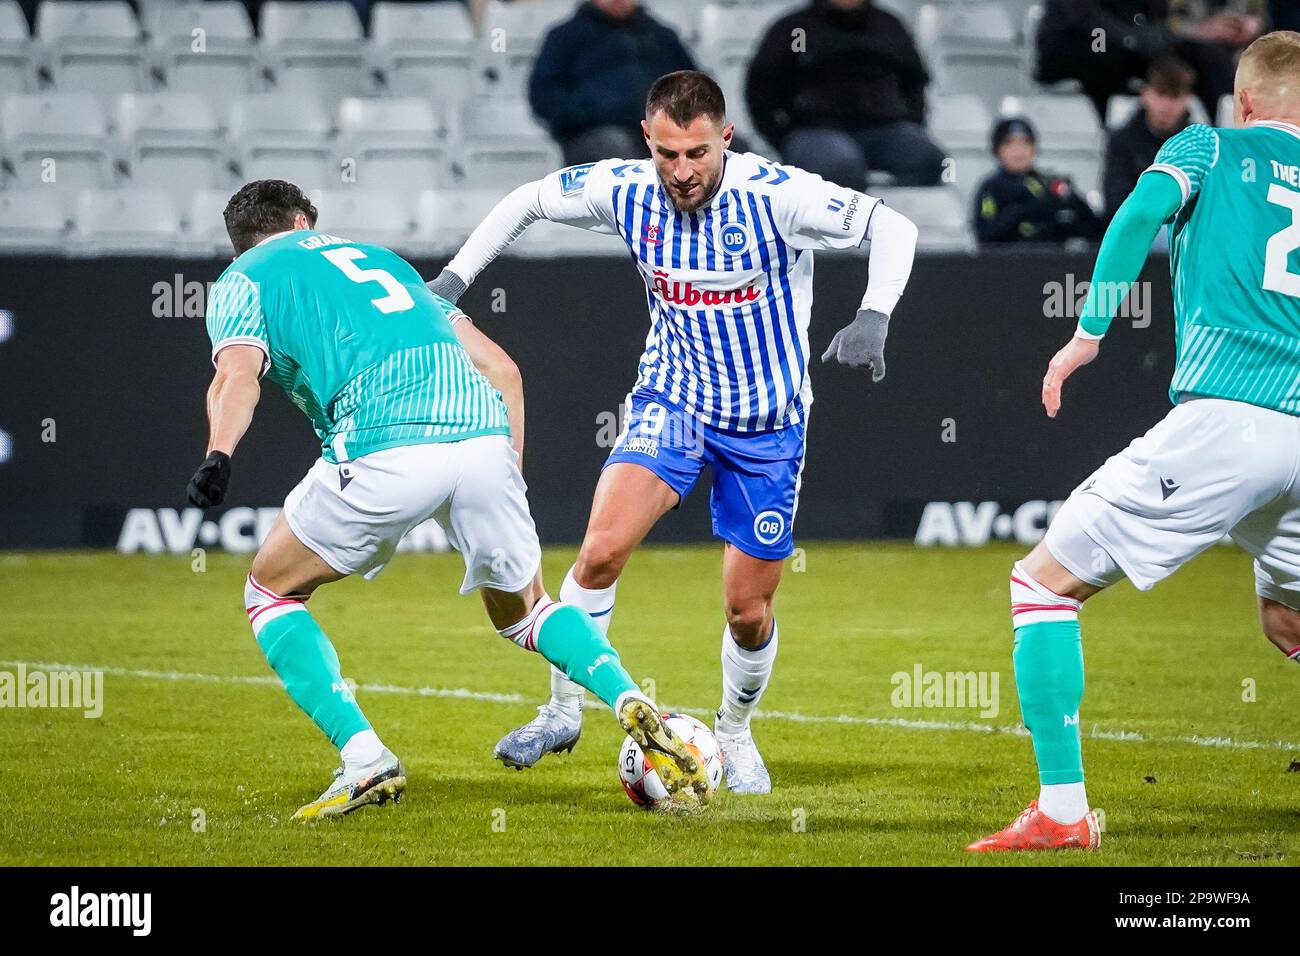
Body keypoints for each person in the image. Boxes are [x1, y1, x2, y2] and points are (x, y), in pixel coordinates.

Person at [425, 70, 919, 794]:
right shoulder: (624, 189)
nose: (681, 172)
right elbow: (525, 201)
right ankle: (563, 711)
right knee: (597, 552)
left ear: (725, 139)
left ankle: (734, 733)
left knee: (747, 610)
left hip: (767, 423)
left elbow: (893, 226)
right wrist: (452, 282)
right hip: (672, 401)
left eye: (696, 154)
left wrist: (874, 314)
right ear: (646, 143)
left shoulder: (778, 196)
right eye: (666, 154)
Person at [187, 180, 709, 819]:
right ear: (305, 220)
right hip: (482, 434)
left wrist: (219, 454)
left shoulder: (244, 278)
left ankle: (365, 761)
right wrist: (506, 477)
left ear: (241, 241)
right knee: (528, 613)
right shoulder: (388, 264)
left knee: (269, 592)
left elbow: (235, 374)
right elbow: (503, 370)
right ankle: (630, 696)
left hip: (384, 442)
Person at [967, 31, 1300, 853]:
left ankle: (1063, 809)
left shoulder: (1208, 144)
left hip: (1233, 415)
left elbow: (1139, 211)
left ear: (1244, 100)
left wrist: (1088, 333)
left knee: (1042, 585)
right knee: (1287, 622)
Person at [744, 0, 945, 188]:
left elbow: (915, 81)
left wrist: (912, 122)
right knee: (841, 165)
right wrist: (783, 138)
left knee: (931, 159)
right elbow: (761, 89)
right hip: (814, 130)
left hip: (884, 129)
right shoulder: (794, 28)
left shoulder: (889, 26)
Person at [528, 0, 696, 165]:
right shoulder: (564, 37)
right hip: (593, 134)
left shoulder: (663, 37)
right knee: (618, 154)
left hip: (660, 131)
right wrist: (590, 110)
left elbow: (696, 87)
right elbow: (544, 95)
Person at [1035, 0, 1245, 124]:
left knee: (1207, 56)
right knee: (1102, 53)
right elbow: (1084, 18)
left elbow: (1154, 15)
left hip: (1128, 46)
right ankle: (1114, 139)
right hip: (1077, 43)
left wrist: (1154, 37)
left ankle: (1230, 135)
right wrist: (1134, 39)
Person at [973, 118, 1105, 245]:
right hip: (1010, 262)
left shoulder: (1048, 183)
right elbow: (986, 235)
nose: (1018, 150)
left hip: (1054, 260)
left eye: (1025, 143)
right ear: (997, 150)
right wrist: (1028, 210)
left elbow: (1093, 230)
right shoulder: (991, 188)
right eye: (1009, 143)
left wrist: (1071, 200)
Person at [1103, 56, 1196, 218]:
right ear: (1145, 94)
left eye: (1174, 97)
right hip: (1136, 229)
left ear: (1186, 99)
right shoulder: (1122, 141)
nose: (1166, 105)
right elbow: (1115, 200)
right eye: (1161, 94)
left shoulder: (1198, 144)